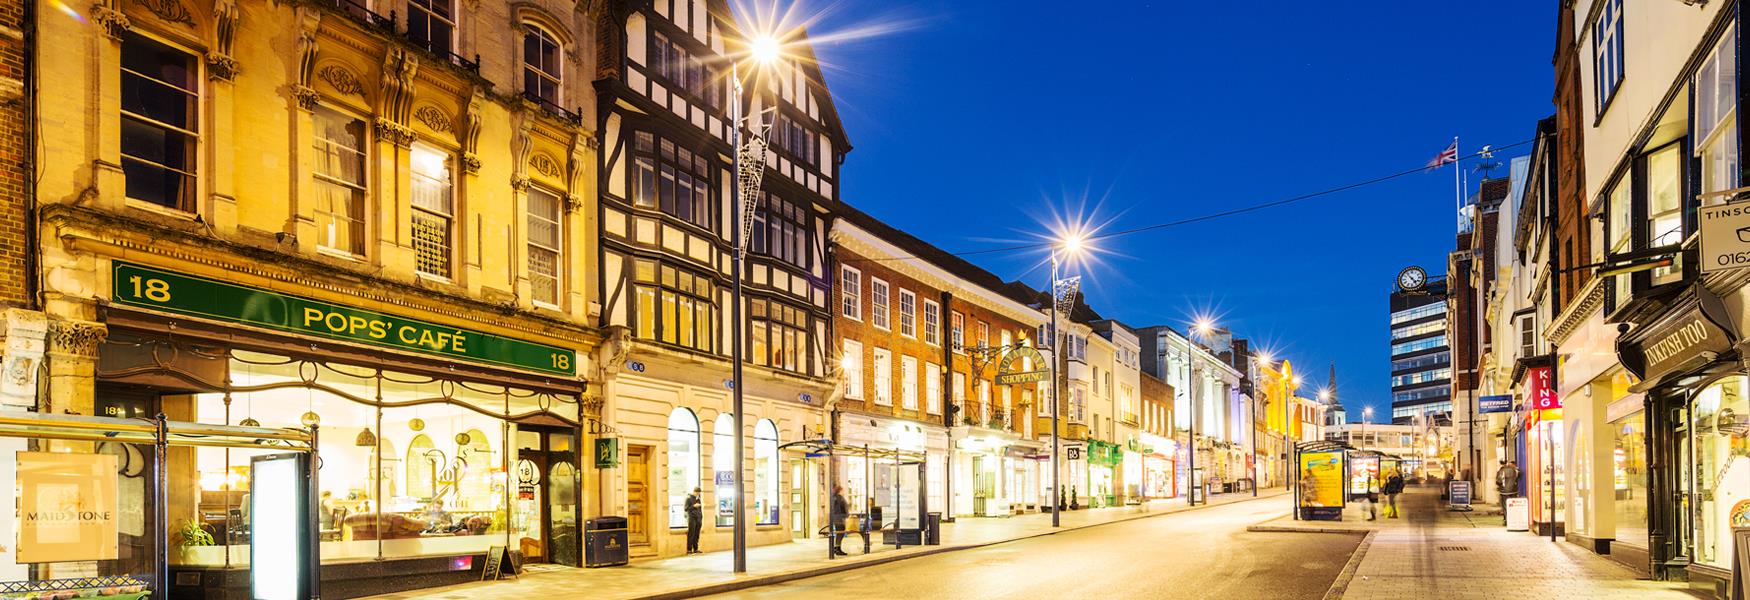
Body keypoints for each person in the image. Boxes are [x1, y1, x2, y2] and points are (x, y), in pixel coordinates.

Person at [685, 487, 703, 554]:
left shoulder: (698, 499)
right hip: (692, 518)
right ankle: (689, 549)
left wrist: (701, 517)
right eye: (697, 493)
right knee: (691, 533)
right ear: (694, 492)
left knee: (697, 534)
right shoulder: (688, 498)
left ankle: (696, 548)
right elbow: (686, 508)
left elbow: (700, 509)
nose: (697, 494)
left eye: (699, 493)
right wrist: (694, 506)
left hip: (698, 518)